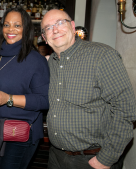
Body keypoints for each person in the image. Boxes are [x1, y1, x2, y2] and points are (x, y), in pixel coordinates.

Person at [41, 9, 136, 169]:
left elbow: (126, 110)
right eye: (48, 28)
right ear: (44, 38)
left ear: (72, 26)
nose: (55, 30)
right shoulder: (50, 64)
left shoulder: (102, 56)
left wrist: (106, 159)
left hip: (91, 159)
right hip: (56, 157)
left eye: (60, 23)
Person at [0, 7, 50, 169]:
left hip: (20, 132)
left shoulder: (35, 60)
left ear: (26, 29)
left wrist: (8, 99)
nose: (10, 29)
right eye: (6, 25)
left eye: (17, 25)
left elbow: (44, 100)